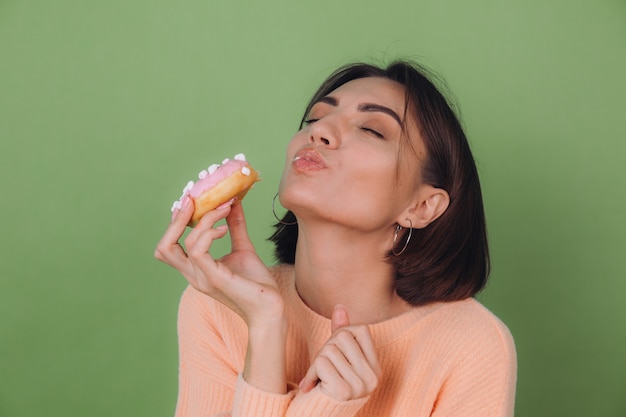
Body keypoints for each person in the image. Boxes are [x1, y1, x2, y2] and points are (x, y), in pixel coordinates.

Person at [155, 60, 517, 417]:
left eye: (372, 130)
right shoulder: (221, 305)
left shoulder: (471, 345)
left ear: (422, 206)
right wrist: (265, 328)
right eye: (315, 118)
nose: (319, 131)